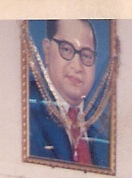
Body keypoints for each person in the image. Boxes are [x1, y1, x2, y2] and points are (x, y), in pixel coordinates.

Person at [27, 19, 110, 168]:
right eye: (66, 49)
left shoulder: (102, 132)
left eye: (86, 56)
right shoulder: (26, 108)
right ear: (46, 50)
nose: (77, 66)